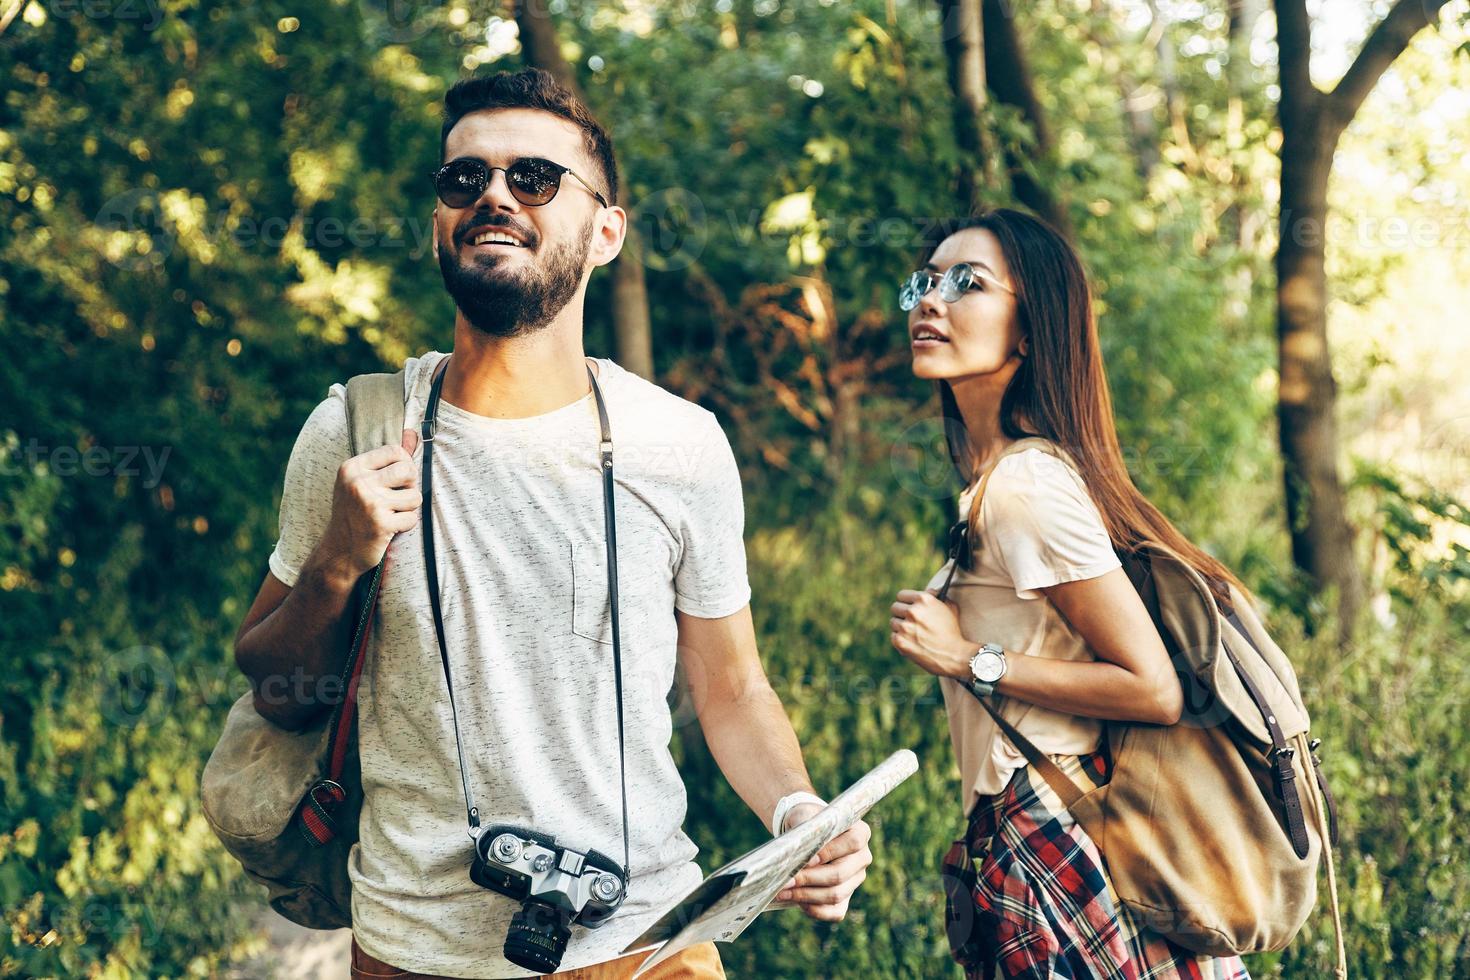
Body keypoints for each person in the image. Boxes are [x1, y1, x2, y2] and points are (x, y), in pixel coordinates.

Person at [233, 68, 871, 980]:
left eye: (534, 177)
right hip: (414, 952)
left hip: (649, 940)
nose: (493, 194)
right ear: (439, 223)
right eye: (465, 179)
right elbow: (277, 692)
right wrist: (338, 559)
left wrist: (798, 812)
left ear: (606, 230)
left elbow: (731, 690)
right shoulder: (355, 429)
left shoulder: (679, 446)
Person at [887, 209, 1252, 979]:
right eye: (924, 282)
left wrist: (966, 657)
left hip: (1055, 822)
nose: (931, 300)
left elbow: (1151, 688)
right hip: (1027, 829)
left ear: (1029, 331)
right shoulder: (998, 480)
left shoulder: (1025, 485)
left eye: (967, 284)